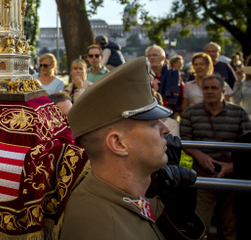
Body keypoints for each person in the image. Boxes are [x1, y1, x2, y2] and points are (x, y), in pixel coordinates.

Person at [61, 57, 204, 240]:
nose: (165, 129)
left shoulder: (124, 195)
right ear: (118, 144)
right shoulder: (105, 229)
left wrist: (176, 217)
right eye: (153, 124)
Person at [180, 74, 250, 239]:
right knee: (201, 222)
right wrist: (200, 156)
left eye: (214, 88)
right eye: (206, 88)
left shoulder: (239, 113)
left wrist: (231, 167)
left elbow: (248, 145)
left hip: (232, 176)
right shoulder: (190, 112)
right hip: (202, 173)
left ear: (223, 91)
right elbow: (184, 140)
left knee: (229, 223)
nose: (209, 91)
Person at [146, 45, 183, 117]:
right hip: (149, 116)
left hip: (169, 115)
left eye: (155, 55)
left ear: (163, 58)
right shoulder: (143, 77)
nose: (152, 58)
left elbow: (180, 98)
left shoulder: (174, 75)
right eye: (149, 56)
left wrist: (175, 119)